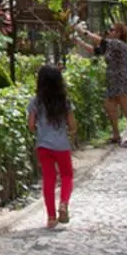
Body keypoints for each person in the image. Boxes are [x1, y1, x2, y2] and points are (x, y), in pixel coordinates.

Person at [74, 21, 127, 146]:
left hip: (123, 81)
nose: (109, 31)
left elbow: (101, 41)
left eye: (112, 29)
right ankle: (116, 135)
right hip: (113, 83)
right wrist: (79, 42)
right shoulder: (111, 46)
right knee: (109, 107)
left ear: (118, 34)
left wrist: (84, 32)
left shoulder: (119, 44)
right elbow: (95, 50)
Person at [28, 64, 78, 228]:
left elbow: (30, 125)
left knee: (49, 178)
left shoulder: (35, 102)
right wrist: (70, 132)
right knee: (67, 176)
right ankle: (63, 203)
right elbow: (72, 125)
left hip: (43, 146)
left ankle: (50, 217)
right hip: (61, 145)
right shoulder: (65, 102)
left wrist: (40, 130)